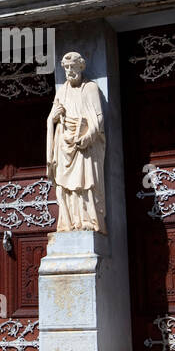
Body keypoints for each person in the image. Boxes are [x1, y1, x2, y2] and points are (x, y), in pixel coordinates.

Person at [46, 51, 106, 233]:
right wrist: (52, 119)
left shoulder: (90, 88)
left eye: (73, 67)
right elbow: (52, 117)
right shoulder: (62, 91)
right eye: (66, 68)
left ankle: (89, 221)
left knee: (86, 183)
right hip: (64, 146)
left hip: (85, 144)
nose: (69, 71)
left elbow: (98, 117)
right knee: (65, 187)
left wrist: (88, 137)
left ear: (81, 67)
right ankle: (68, 223)